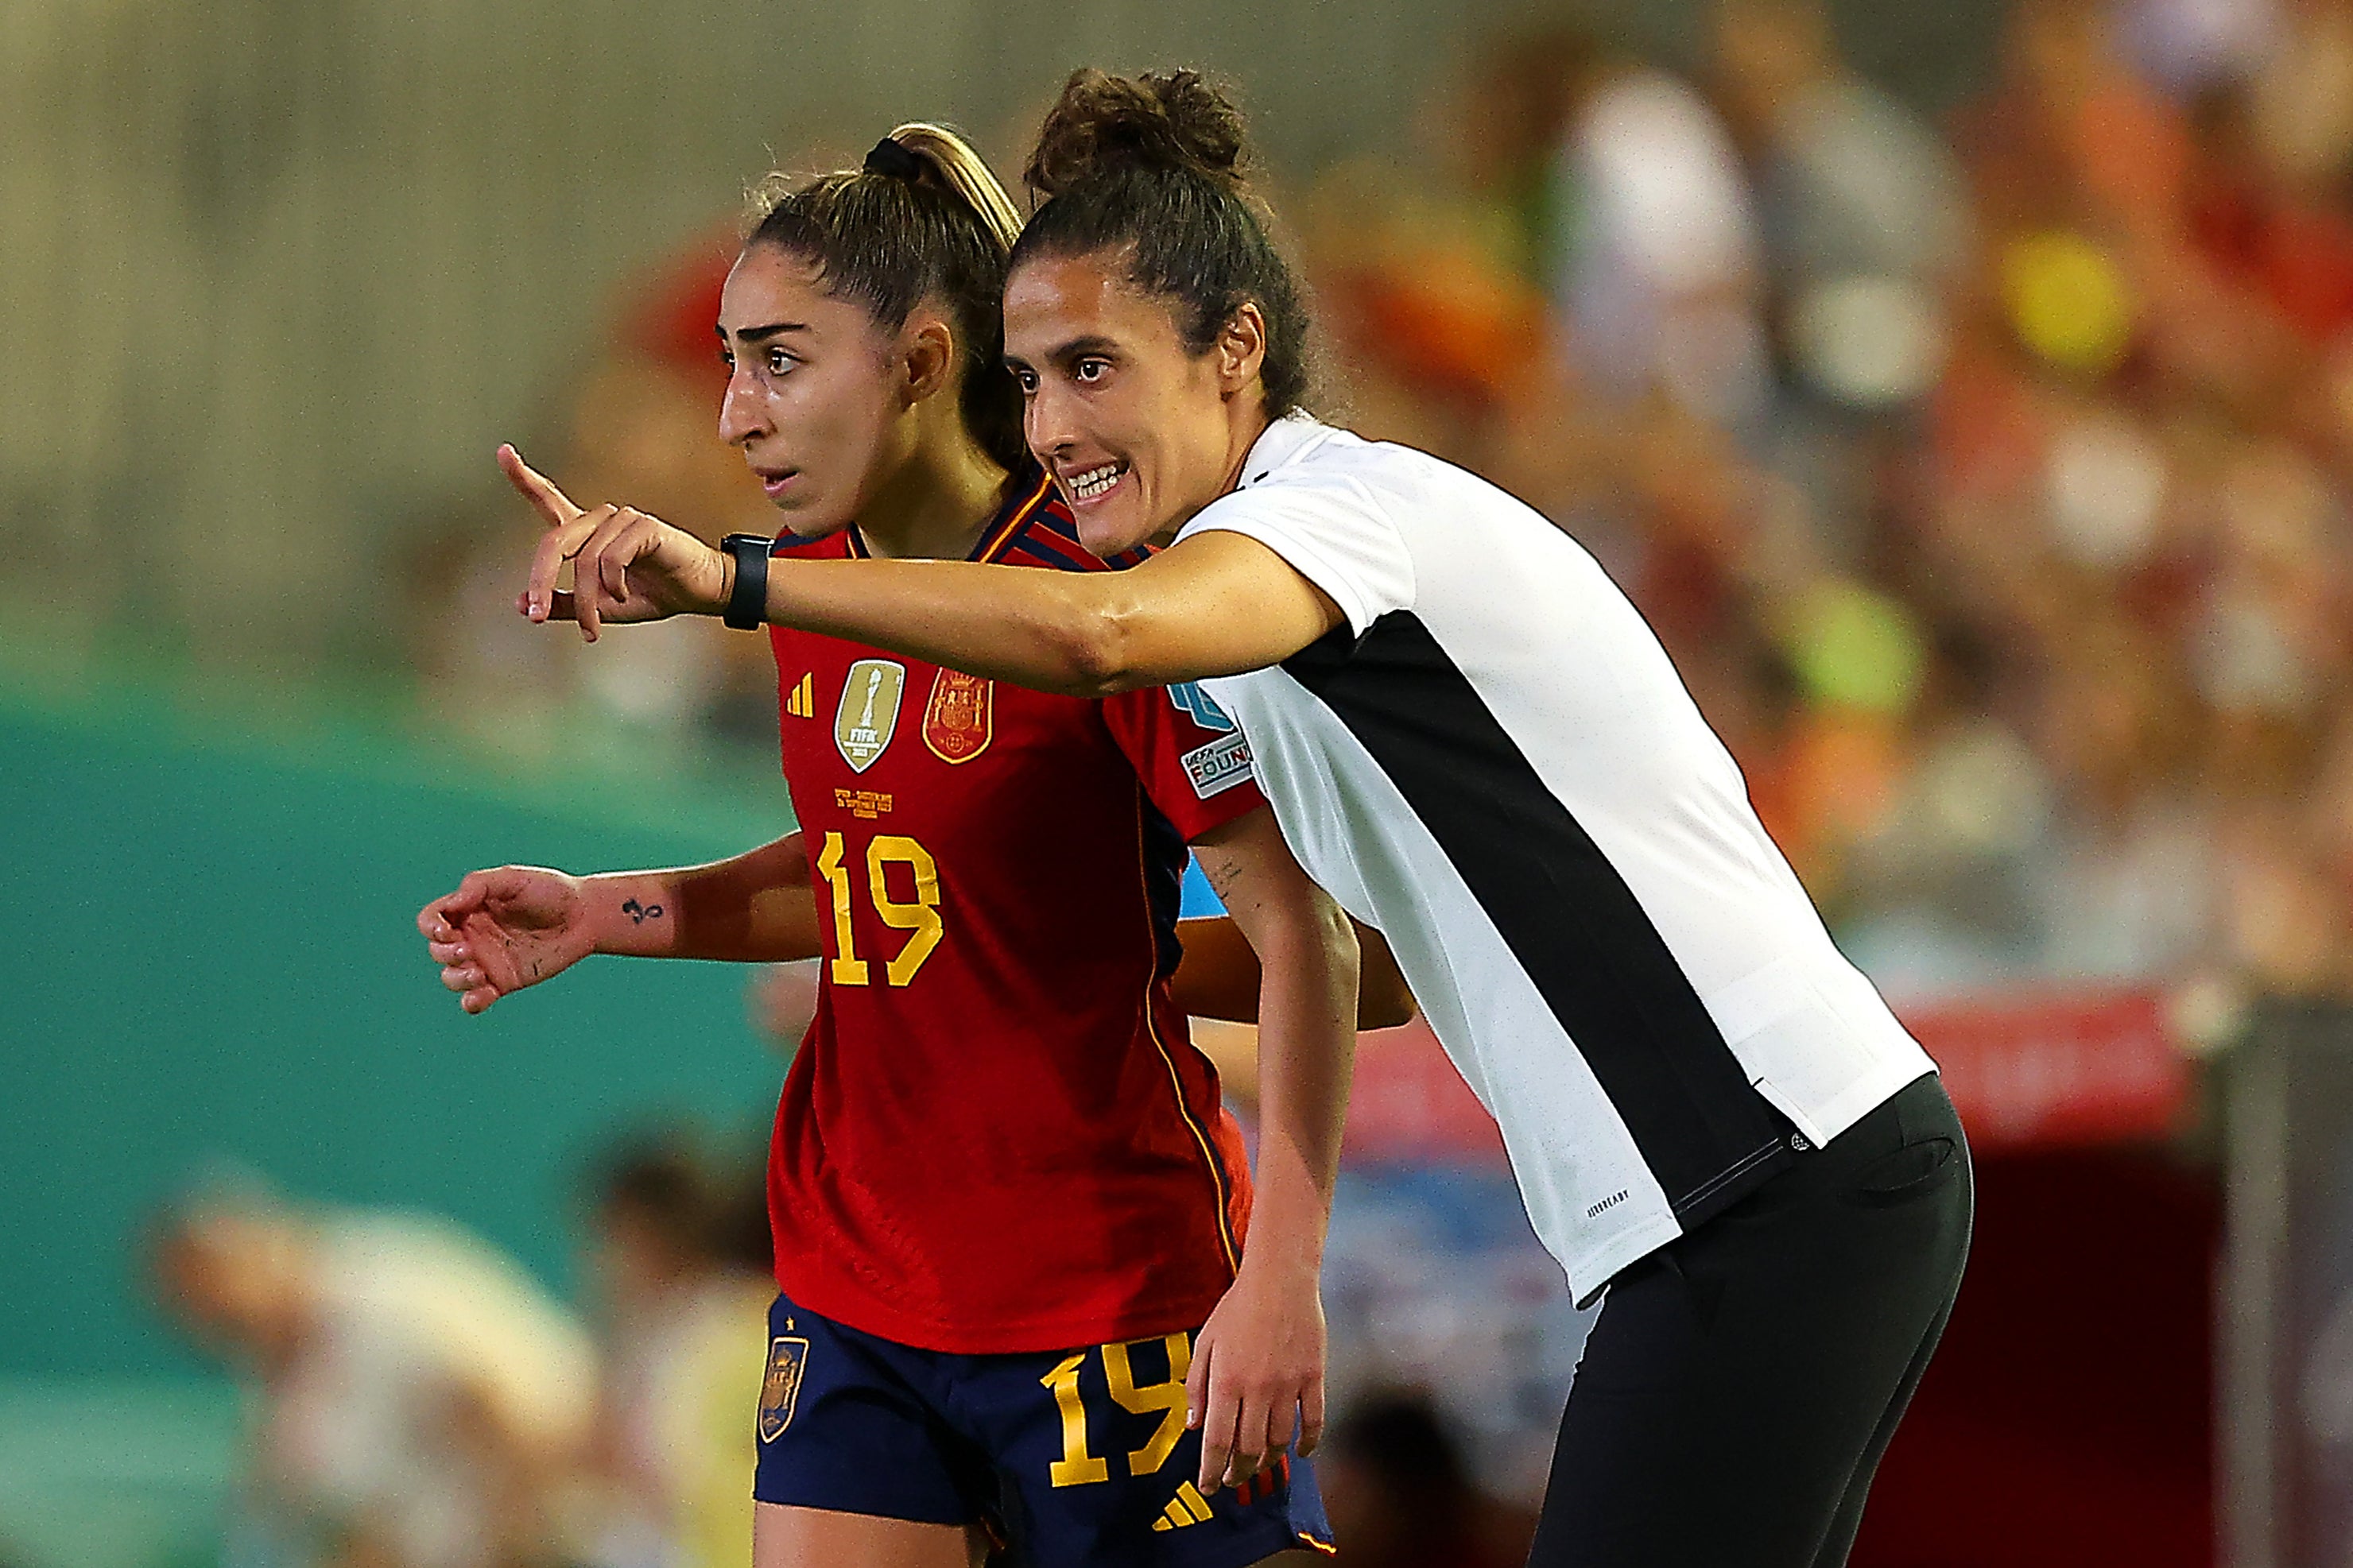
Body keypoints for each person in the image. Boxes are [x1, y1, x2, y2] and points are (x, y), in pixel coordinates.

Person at [516, 75, 1975, 1567]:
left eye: (1094, 368)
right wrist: (999, 976)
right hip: (1775, 1188)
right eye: (1029, 382)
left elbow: (1103, 636)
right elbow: (1377, 966)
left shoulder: (1328, 516)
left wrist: (738, 578)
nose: (1055, 424)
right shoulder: (1265, 634)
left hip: (1764, 1173)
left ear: (1237, 352)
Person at [425, 123, 1359, 1568]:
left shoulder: (1113, 594)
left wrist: (1286, 1270)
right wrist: (606, 907)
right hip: (854, 1290)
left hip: (1107, 1299)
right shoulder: (812, 591)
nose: (736, 413)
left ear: (923, 366)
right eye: (729, 362)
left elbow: (1311, 935)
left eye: (780, 361)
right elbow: (866, 864)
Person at [149, 1190, 595, 1568]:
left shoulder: (379, 1298)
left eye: (205, 1286)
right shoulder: (281, 1354)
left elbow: (520, 1426)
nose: (199, 1312)